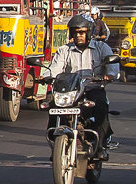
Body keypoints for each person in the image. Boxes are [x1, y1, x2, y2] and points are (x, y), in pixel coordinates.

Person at [44, 13, 120, 152]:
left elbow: (112, 66)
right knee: (53, 106)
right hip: (71, 92)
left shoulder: (101, 48)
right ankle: (54, 142)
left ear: (89, 32)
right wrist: (47, 77)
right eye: (75, 32)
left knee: (101, 106)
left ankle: (100, 146)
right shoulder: (65, 50)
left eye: (82, 32)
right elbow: (55, 69)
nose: (78, 35)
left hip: (93, 89)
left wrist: (109, 75)